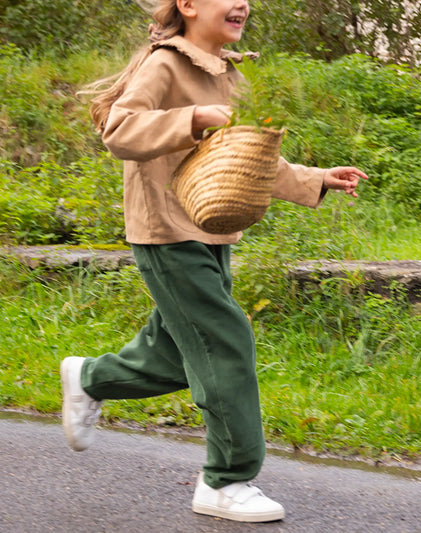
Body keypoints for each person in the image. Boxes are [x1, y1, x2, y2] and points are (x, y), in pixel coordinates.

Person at [60, 0, 369, 524]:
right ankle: (226, 480)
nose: (244, 3)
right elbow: (120, 129)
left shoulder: (228, 74)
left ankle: (91, 378)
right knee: (225, 340)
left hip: (211, 228)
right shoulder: (165, 64)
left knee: (178, 353)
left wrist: (314, 178)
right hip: (165, 233)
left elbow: (245, 156)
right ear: (189, 5)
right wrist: (193, 118)